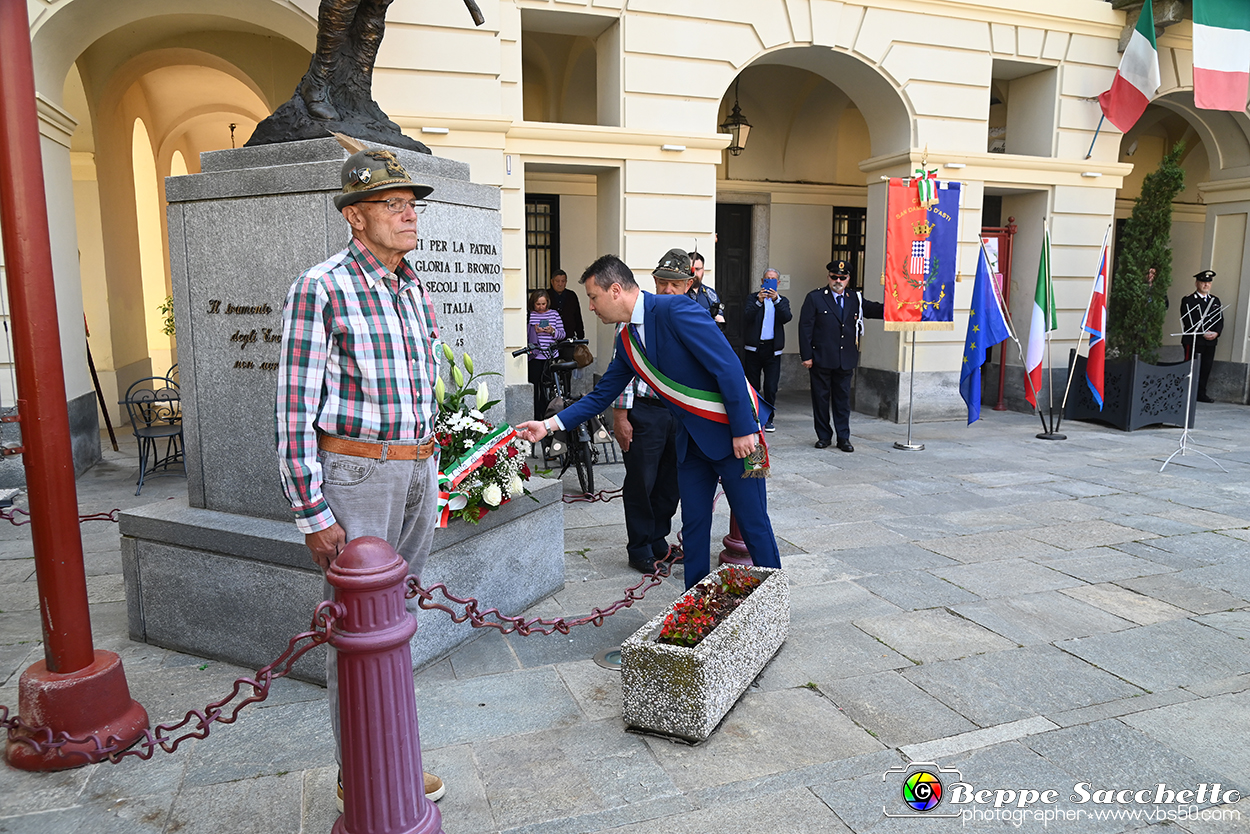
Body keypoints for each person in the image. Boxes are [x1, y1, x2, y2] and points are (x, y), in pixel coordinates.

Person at [276, 145, 445, 808]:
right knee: (354, 628)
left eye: (411, 206)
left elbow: (423, 384)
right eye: (393, 205)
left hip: (416, 470)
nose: (409, 216)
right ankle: (361, 776)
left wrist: (435, 466)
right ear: (355, 216)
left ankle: (393, 753)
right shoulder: (321, 287)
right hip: (355, 475)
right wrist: (312, 512)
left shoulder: (413, 285)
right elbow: (293, 408)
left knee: (396, 620)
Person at [516, 251, 782, 590]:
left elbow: (727, 366)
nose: (592, 307)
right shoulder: (627, 340)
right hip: (692, 445)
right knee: (695, 526)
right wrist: (549, 426)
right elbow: (602, 396)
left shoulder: (677, 309)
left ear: (615, 290)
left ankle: (774, 601)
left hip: (742, 438)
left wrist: (745, 429)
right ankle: (694, 602)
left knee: (755, 522)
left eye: (594, 297)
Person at [610, 259, 690, 574]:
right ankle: (639, 546)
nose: (667, 289)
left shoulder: (690, 317)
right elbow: (620, 370)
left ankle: (658, 539)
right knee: (642, 481)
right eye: (662, 282)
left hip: (680, 413)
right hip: (644, 411)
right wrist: (621, 415)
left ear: (688, 285)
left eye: (675, 283)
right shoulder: (635, 316)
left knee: (671, 482)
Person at [797, 259, 884, 452]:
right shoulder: (815, 298)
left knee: (842, 401)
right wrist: (806, 356)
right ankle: (824, 436)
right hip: (821, 358)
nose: (838, 280)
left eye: (842, 278)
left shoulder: (855, 298)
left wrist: (900, 306)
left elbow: (876, 310)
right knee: (820, 399)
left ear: (848, 279)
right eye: (834, 277)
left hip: (845, 360)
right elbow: (805, 328)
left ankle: (843, 438)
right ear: (828, 277)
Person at [742, 268, 792, 432]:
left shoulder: (782, 300)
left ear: (777, 283)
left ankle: (769, 419)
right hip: (754, 349)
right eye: (767, 279)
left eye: (773, 279)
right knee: (753, 385)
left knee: (771, 386)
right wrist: (759, 301)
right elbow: (746, 317)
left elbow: (787, 317)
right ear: (762, 282)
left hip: (772, 350)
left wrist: (776, 300)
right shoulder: (753, 298)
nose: (769, 282)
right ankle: (754, 416)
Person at [1180, 269, 1223, 403]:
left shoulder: (1215, 300)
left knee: (1206, 367)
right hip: (1194, 340)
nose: (1206, 285)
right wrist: (1203, 332)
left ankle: (1201, 394)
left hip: (1210, 341)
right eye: (1203, 282)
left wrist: (1216, 333)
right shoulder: (1189, 300)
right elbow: (1188, 320)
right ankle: (1188, 392)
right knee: (1191, 366)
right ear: (1197, 283)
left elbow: (1220, 320)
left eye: (1208, 282)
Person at [526, 289, 566, 420]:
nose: (541, 307)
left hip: (551, 355)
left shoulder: (554, 314)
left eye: (543, 304)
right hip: (536, 356)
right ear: (533, 303)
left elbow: (562, 334)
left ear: (547, 302)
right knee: (535, 386)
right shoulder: (530, 315)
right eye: (538, 304)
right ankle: (537, 415)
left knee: (549, 388)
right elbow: (524, 335)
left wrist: (552, 331)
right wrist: (534, 331)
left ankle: (549, 415)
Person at [686, 251, 725, 325]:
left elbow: (720, 320)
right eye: (691, 270)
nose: (694, 274)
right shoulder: (678, 292)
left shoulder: (710, 293)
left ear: (703, 269)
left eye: (697, 269)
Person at [548, 269, 585, 340]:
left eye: (563, 281)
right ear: (552, 282)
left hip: (569, 337)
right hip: (550, 337)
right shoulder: (546, 295)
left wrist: (580, 336)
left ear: (566, 282)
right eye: (557, 281)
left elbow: (577, 316)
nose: (560, 284)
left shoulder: (572, 295)